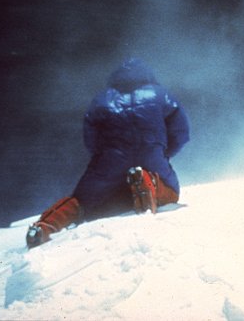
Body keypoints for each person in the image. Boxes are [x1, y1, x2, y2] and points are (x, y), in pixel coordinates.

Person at [26, 58, 190, 248]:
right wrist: (164, 152)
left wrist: (102, 157)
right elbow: (181, 133)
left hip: (112, 158)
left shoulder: (101, 99)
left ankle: (44, 227)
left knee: (82, 200)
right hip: (152, 154)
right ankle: (148, 180)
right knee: (171, 192)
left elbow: (90, 138)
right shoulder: (162, 95)